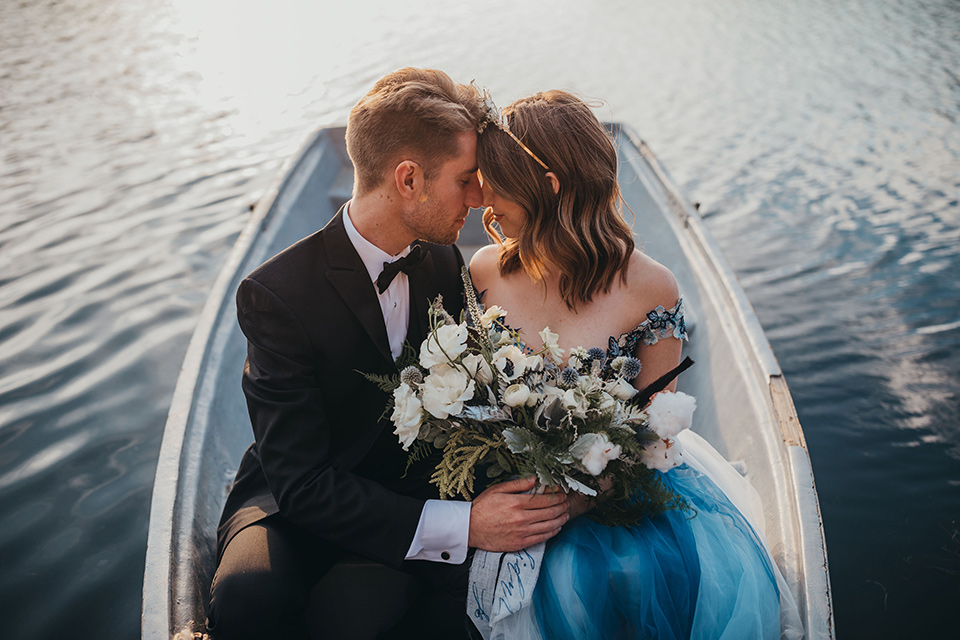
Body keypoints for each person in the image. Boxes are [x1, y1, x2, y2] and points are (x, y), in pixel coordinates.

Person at [206, 69, 572, 640]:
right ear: (409, 180)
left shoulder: (446, 265)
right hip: (293, 502)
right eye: (467, 180)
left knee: (476, 606)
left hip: (411, 486)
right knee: (248, 600)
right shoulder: (276, 294)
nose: (479, 200)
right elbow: (301, 482)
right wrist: (465, 524)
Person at [469, 90, 803, 639]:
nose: (485, 203)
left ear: (548, 188)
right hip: (514, 488)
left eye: (498, 185)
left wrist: (574, 501)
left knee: (609, 575)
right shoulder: (484, 270)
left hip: (617, 494)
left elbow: (656, 437)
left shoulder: (651, 287)